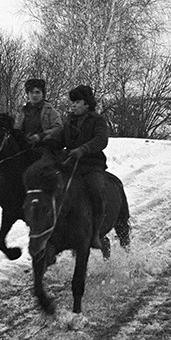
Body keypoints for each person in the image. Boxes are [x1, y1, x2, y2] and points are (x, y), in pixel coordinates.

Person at [0, 78, 62, 222]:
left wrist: (41, 136)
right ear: (27, 94)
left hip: (44, 148)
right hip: (26, 148)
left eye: (37, 92)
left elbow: (58, 128)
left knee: (37, 172)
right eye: (31, 92)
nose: (34, 95)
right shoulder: (23, 111)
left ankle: (42, 207)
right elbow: (18, 128)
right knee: (5, 171)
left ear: (43, 94)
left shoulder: (50, 111)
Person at [54, 85, 108, 249]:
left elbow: (101, 140)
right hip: (71, 165)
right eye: (73, 102)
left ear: (87, 104)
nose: (73, 105)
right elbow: (60, 140)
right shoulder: (69, 121)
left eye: (77, 102)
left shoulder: (98, 120)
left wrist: (83, 149)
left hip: (92, 166)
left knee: (96, 190)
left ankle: (96, 233)